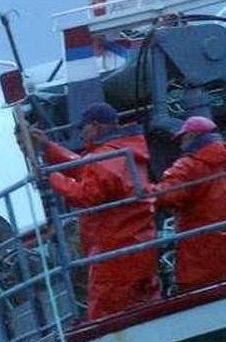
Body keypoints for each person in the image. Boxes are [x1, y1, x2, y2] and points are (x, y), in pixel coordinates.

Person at [32, 103, 159, 319]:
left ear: (96, 126)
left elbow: (86, 195)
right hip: (138, 243)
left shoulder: (107, 157)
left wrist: (51, 178)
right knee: (147, 304)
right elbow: (87, 170)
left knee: (105, 314)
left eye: (84, 127)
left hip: (115, 251)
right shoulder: (123, 150)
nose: (81, 133)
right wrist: (48, 148)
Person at [150, 116, 226, 291]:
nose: (181, 144)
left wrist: (144, 191)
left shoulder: (188, 166)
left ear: (192, 136)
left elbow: (168, 195)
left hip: (200, 258)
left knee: (198, 297)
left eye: (183, 138)